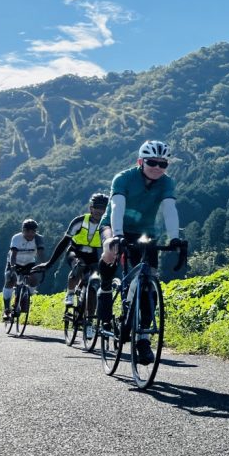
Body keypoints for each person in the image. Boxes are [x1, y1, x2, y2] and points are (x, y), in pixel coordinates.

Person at [96, 140, 181, 365]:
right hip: (114, 226)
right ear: (140, 161)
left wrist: (174, 237)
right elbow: (117, 207)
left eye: (163, 164)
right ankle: (105, 287)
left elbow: (170, 209)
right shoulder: (123, 178)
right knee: (110, 251)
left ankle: (142, 337)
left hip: (145, 232)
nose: (157, 167)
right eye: (152, 162)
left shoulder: (166, 183)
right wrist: (117, 235)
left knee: (148, 280)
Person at [34, 192, 109, 306]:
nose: (99, 211)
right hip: (75, 252)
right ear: (91, 208)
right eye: (96, 207)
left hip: (93, 256)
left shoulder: (107, 225)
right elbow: (64, 242)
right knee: (79, 266)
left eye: (103, 208)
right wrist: (50, 263)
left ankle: (88, 318)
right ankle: (70, 293)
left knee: (94, 283)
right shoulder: (79, 221)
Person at [2, 218, 46, 321]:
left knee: (34, 280)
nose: (30, 234)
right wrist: (12, 268)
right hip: (14, 262)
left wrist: (43, 266)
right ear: (23, 231)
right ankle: (7, 309)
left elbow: (41, 254)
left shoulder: (38, 239)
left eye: (33, 232)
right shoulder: (17, 238)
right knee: (10, 280)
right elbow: (13, 254)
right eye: (28, 232)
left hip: (29, 263)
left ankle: (26, 295)